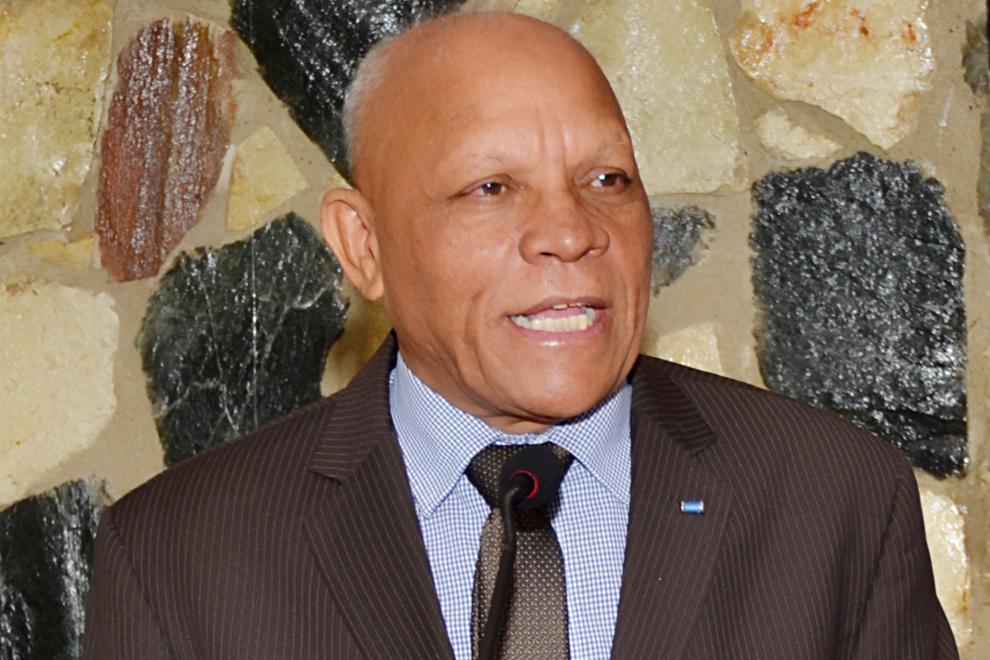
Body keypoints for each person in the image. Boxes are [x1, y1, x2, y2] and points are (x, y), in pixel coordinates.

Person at [82, 11, 958, 660]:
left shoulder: (832, 503)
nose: (571, 231)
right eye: (491, 188)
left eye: (606, 178)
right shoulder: (181, 558)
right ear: (364, 244)